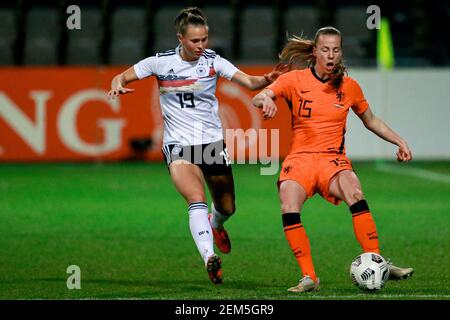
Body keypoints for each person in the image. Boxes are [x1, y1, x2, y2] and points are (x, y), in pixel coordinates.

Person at [108, 7, 281, 284]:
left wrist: (266, 80)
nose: (202, 45)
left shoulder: (213, 61)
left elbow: (250, 82)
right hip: (177, 145)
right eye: (195, 41)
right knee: (195, 198)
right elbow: (123, 76)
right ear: (180, 38)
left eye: (205, 39)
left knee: (227, 207)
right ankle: (209, 257)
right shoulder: (159, 62)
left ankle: (217, 224)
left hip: (210, 143)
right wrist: (117, 84)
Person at [252, 26, 414, 292]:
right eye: (325, 49)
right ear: (315, 51)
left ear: (341, 53)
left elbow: (371, 120)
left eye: (335, 50)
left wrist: (399, 141)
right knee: (288, 204)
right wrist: (265, 100)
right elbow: (262, 94)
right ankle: (309, 277)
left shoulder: (349, 87)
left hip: (332, 160)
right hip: (301, 159)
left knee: (354, 191)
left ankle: (377, 261)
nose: (330, 55)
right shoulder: (295, 80)